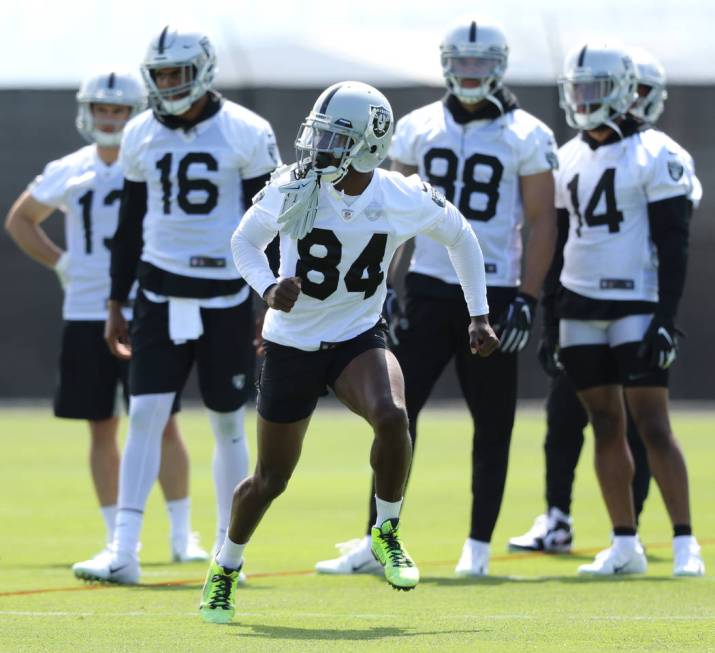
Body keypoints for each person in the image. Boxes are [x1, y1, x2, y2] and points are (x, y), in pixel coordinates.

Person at [198, 81, 499, 623]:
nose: (318, 150)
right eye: (318, 135)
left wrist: (478, 313)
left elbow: (462, 237)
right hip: (291, 341)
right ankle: (225, 568)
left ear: (368, 144)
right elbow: (243, 242)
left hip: (358, 335)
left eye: (335, 139)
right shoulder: (292, 186)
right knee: (270, 480)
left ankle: (385, 530)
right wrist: (268, 287)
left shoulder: (400, 195)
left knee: (392, 414)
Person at [315, 17, 557, 577]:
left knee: (493, 422)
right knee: (393, 415)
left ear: (499, 67)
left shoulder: (528, 134)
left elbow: (542, 222)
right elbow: (387, 215)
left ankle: (477, 546)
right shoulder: (418, 126)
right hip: (425, 287)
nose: (470, 73)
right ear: (448, 64)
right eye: (463, 62)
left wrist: (527, 297)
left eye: (480, 63)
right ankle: (377, 539)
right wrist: (384, 285)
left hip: (489, 292)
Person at [71, 27, 281, 584]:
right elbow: (130, 222)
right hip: (159, 294)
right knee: (143, 415)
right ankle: (123, 550)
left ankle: (225, 552)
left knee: (228, 425)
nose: (167, 83)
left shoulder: (246, 131)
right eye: (159, 74)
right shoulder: (140, 132)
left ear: (203, 71)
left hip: (227, 297)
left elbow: (271, 223)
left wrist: (269, 295)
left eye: (176, 73)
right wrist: (117, 300)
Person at [4, 71, 206, 563]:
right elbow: (19, 220)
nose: (109, 118)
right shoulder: (70, 168)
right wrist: (63, 262)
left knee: (162, 421)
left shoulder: (156, 163)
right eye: (102, 109)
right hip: (86, 311)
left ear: (136, 113)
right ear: (87, 111)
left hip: (146, 308)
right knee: (101, 425)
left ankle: (183, 535)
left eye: (118, 110)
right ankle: (118, 538)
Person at [508, 47, 702, 554]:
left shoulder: (659, 153)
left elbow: (673, 246)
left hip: (636, 304)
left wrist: (666, 317)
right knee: (600, 425)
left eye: (593, 89)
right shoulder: (567, 156)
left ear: (620, 89)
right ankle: (622, 543)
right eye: (577, 88)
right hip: (579, 308)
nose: (582, 99)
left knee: (653, 426)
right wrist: (550, 321)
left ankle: (685, 542)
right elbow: (555, 245)